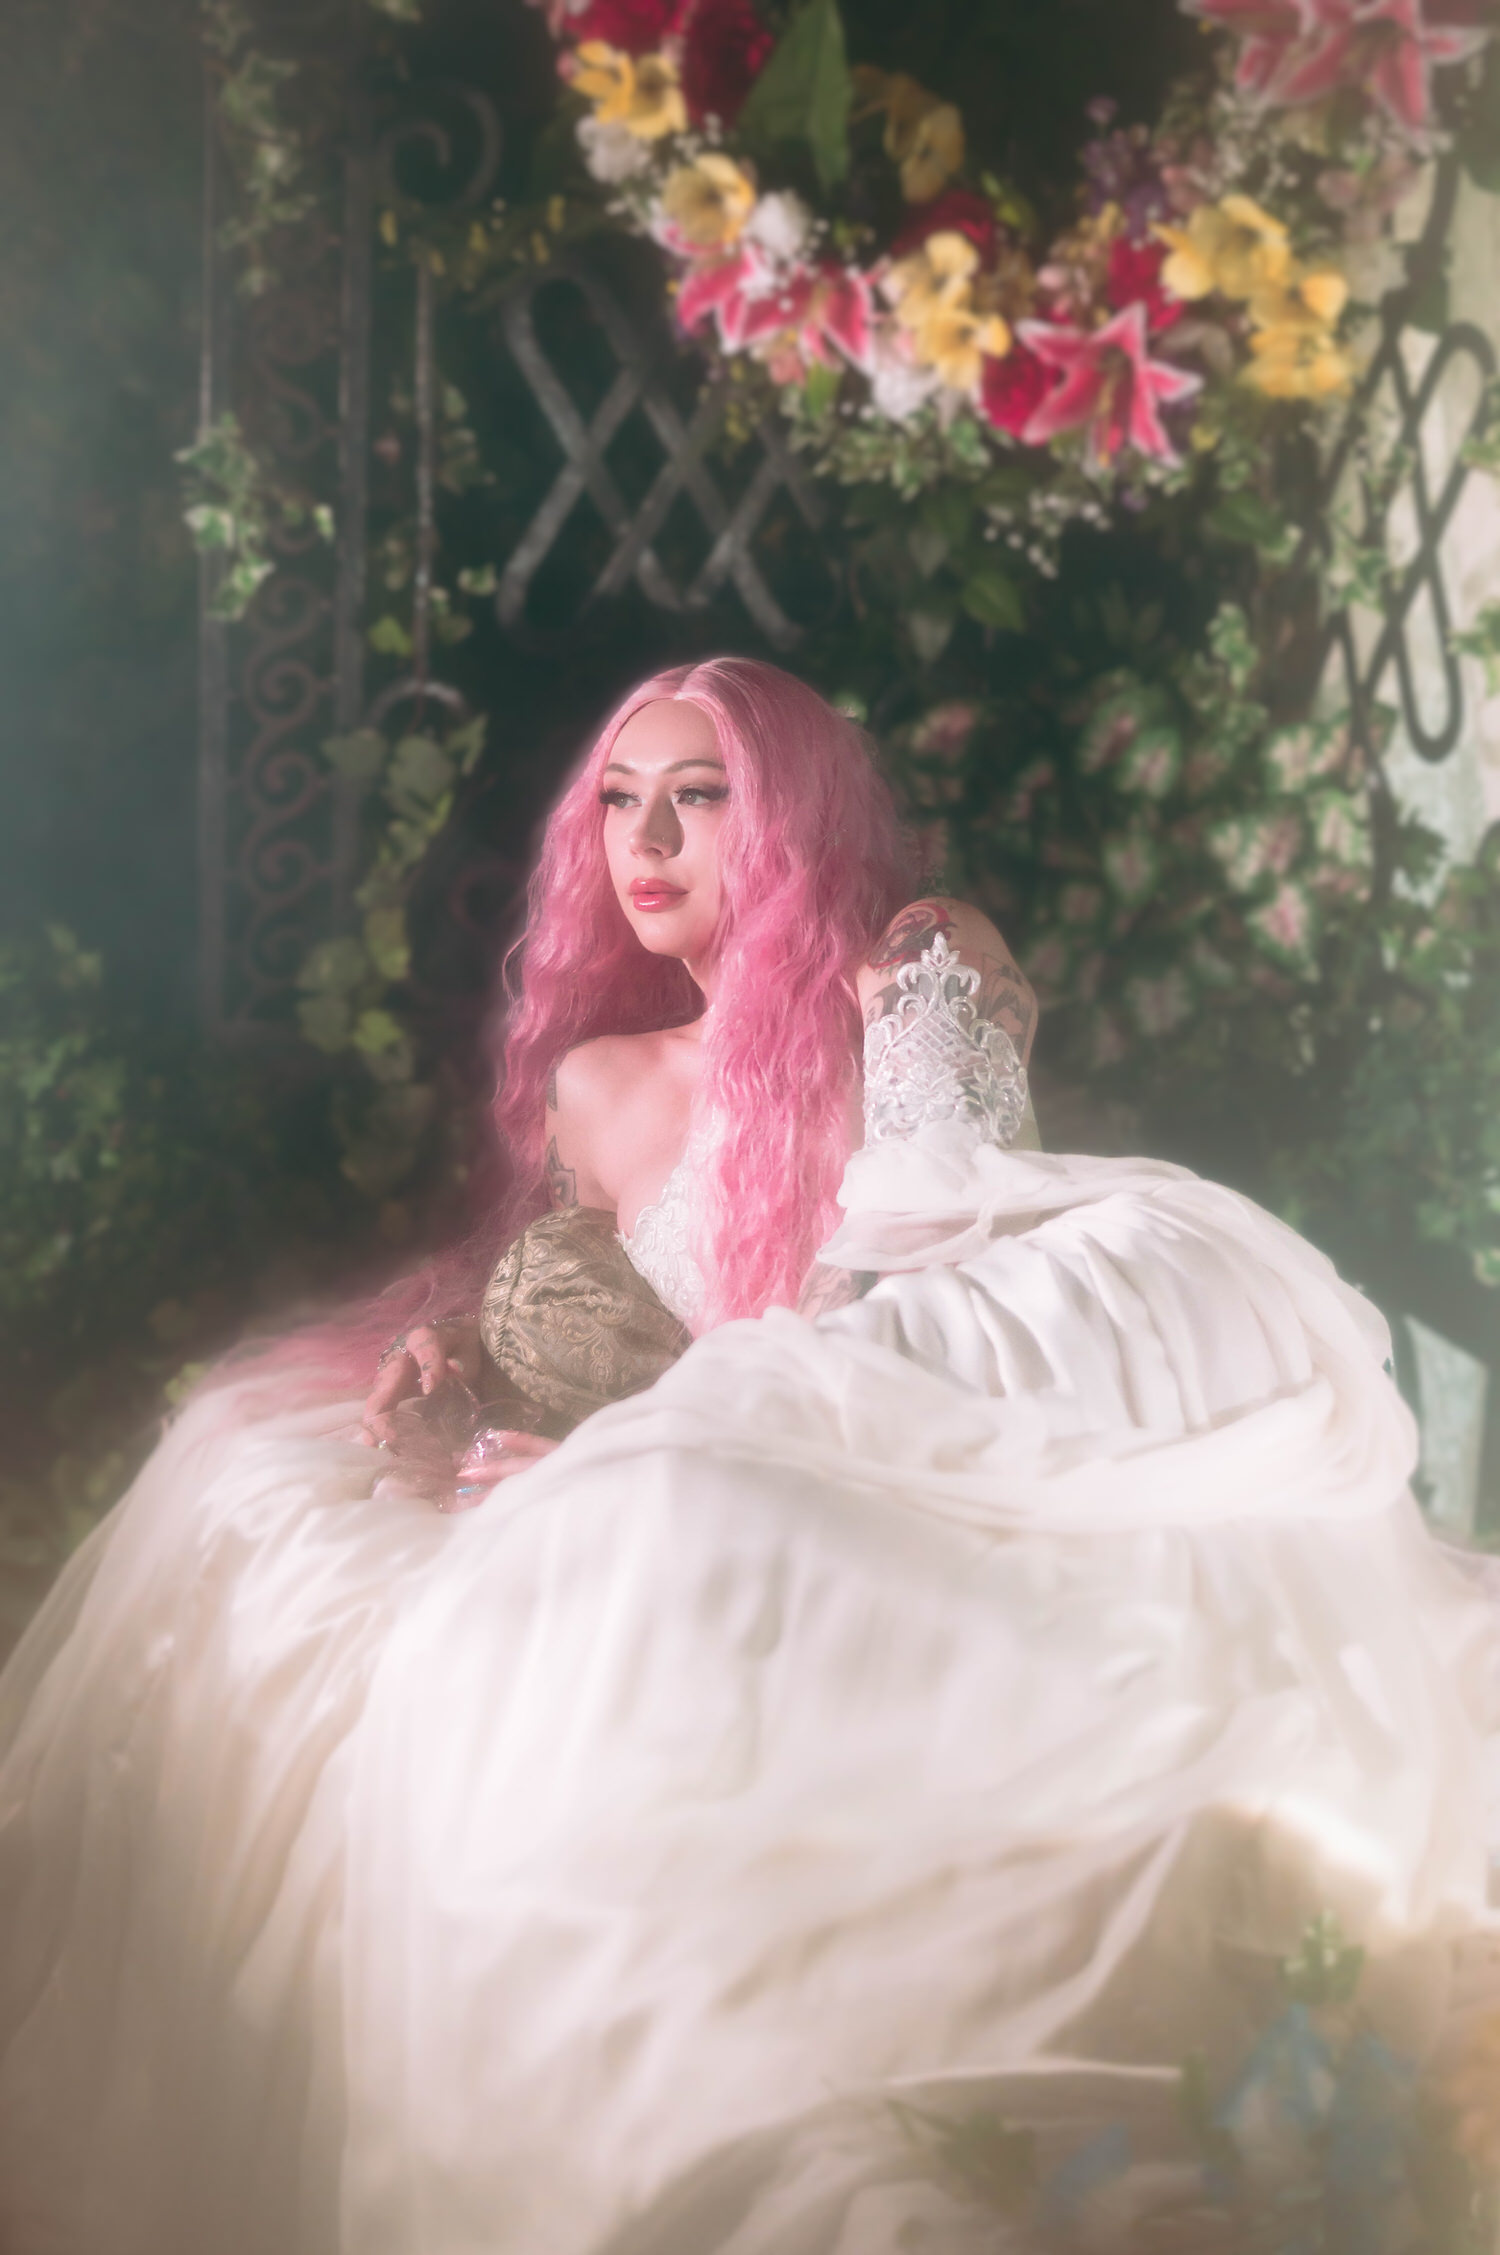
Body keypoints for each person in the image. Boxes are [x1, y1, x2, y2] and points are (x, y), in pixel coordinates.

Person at [0, 655, 1497, 2255]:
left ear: (787, 817)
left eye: (699, 802)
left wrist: (672, 1423)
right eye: (622, 806)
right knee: (269, 1466)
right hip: (696, 1444)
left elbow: (950, 1218)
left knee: (712, 1515)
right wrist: (463, 1365)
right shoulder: (594, 1084)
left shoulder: (914, 964)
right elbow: (580, 1317)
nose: (648, 841)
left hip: (889, 1393)